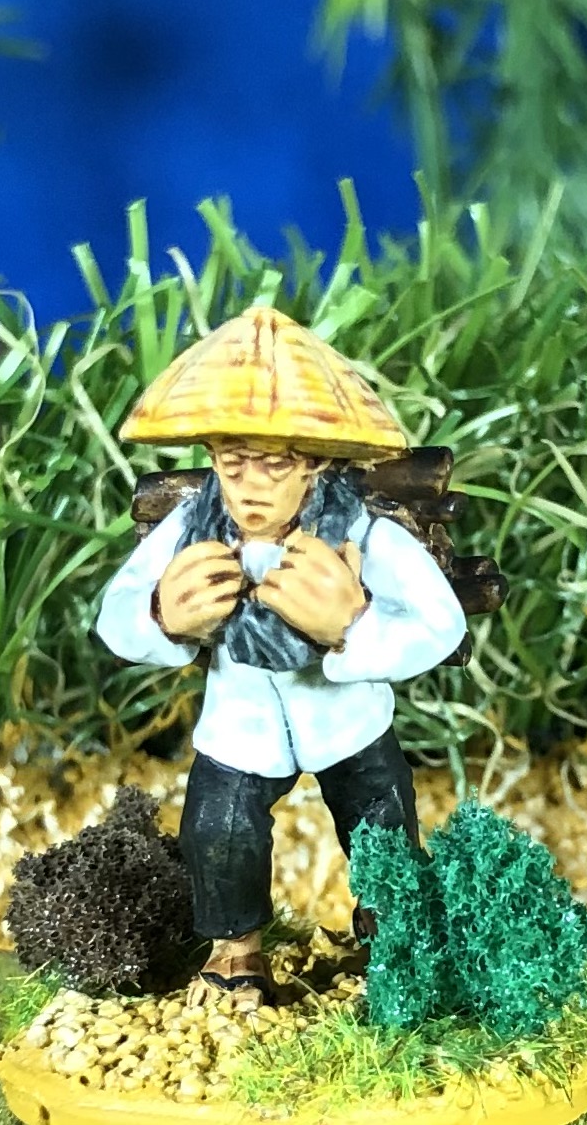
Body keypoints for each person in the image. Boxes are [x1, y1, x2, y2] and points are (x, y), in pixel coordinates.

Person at [96, 307, 467, 1011]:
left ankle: (395, 935)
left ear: (315, 463)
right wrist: (164, 616)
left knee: (382, 822)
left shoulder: (360, 532)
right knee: (219, 830)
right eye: (233, 462)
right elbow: (116, 614)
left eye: (275, 464)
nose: (252, 485)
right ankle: (235, 950)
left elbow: (440, 624)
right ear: (212, 459)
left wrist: (352, 623)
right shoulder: (193, 526)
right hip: (241, 719)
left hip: (348, 717)